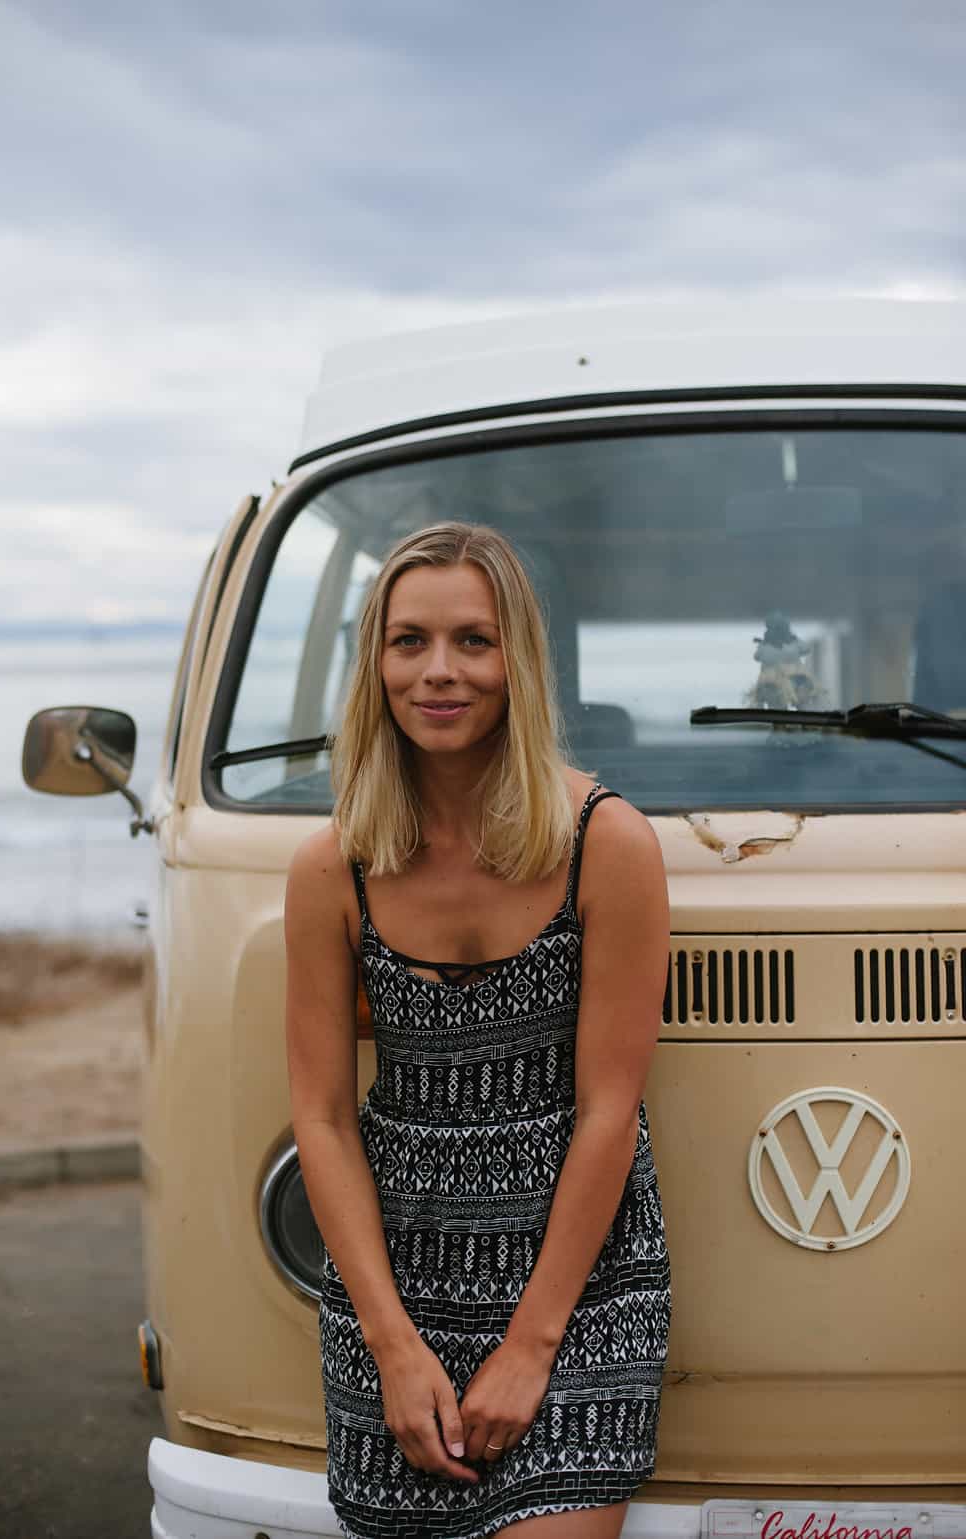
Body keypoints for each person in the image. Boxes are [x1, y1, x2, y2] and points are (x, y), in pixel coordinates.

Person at [285, 521, 672, 1539]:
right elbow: (319, 1117)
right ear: (374, 662)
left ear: (519, 661)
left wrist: (532, 1345)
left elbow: (608, 1107)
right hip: (394, 1288)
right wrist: (392, 1346)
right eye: (409, 641)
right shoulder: (334, 866)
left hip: (576, 1284)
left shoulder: (606, 843)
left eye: (473, 640)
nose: (439, 673)